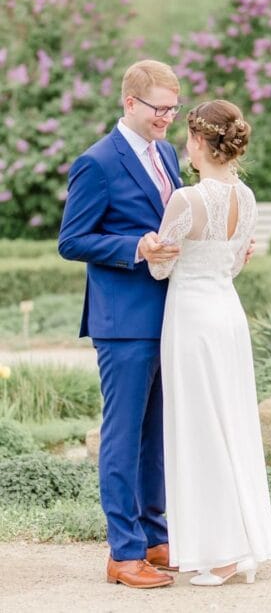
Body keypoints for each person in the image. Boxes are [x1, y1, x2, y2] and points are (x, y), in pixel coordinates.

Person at [58, 60, 186, 588]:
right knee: (122, 436)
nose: (168, 120)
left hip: (171, 314)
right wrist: (134, 246)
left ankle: (155, 540)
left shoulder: (170, 153)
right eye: (159, 109)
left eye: (173, 110)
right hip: (123, 322)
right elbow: (72, 240)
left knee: (155, 435)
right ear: (130, 103)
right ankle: (122, 553)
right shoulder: (97, 163)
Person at [148, 99, 271, 585]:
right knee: (233, 425)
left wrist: (149, 244)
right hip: (228, 316)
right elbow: (234, 263)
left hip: (192, 320)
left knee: (201, 430)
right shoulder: (246, 198)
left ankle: (222, 555)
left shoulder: (187, 200)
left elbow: (162, 264)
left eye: (189, 136)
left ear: (201, 142)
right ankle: (242, 544)